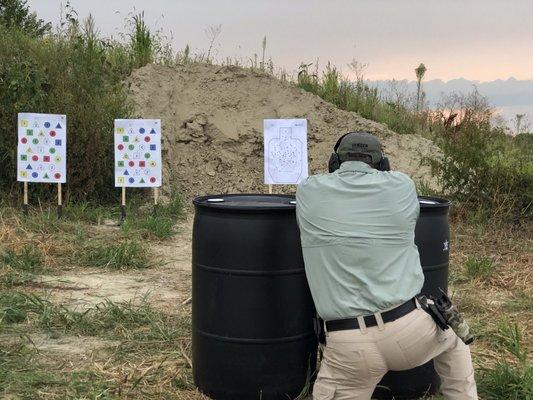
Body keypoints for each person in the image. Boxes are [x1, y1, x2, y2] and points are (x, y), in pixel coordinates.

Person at [295, 132, 478, 400]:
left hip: (349, 345)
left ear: (334, 162)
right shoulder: (402, 187)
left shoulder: (308, 191)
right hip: (409, 330)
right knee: (453, 341)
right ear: (383, 164)